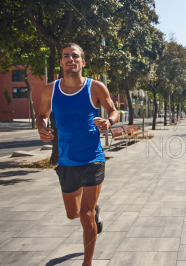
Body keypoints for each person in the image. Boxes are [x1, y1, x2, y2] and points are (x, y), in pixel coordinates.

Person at [36, 43, 118, 266]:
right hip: (66, 160)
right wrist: (41, 127)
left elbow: (113, 110)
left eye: (75, 56)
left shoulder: (95, 87)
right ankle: (96, 209)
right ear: (61, 62)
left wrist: (108, 121)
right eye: (66, 56)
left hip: (93, 158)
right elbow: (42, 115)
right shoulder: (50, 90)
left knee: (86, 214)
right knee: (73, 214)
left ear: (83, 62)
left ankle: (87, 262)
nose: (70, 59)